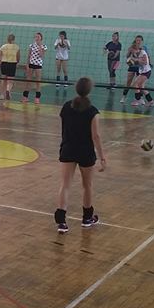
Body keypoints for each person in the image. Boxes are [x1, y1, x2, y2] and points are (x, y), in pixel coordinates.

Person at [54, 77, 106, 233]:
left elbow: (64, 126)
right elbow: (96, 136)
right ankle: (87, 218)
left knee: (65, 185)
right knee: (87, 186)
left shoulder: (66, 107)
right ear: (89, 91)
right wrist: (102, 157)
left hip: (68, 149)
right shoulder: (93, 112)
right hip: (85, 152)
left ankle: (61, 222)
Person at [22, 32, 47, 104]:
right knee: (28, 80)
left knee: (38, 81)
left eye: (38, 37)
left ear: (41, 38)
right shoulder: (31, 45)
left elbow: (41, 55)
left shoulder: (44, 46)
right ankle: (25, 97)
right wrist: (27, 64)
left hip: (38, 65)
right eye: (36, 37)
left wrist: (40, 46)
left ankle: (37, 98)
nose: (37, 38)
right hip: (31, 64)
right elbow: (29, 55)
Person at [120, 35, 147, 103]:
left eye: (139, 40)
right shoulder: (131, 48)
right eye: (137, 40)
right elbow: (127, 56)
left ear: (142, 41)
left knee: (139, 84)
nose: (138, 41)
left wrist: (149, 63)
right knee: (128, 82)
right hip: (132, 66)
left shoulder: (144, 48)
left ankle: (140, 98)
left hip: (140, 67)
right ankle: (124, 96)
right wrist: (129, 52)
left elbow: (146, 57)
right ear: (135, 41)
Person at [130, 43, 154, 107]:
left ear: (136, 49)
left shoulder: (143, 52)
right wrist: (132, 62)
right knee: (141, 87)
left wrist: (136, 60)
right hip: (142, 71)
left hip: (146, 72)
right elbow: (138, 63)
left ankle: (138, 100)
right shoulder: (137, 54)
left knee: (135, 84)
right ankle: (151, 102)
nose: (132, 52)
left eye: (133, 50)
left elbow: (145, 62)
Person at [0, 33, 20, 100]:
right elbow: (18, 57)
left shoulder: (3, 46)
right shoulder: (16, 47)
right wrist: (17, 62)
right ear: (14, 39)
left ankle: (2, 95)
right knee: (10, 81)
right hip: (12, 64)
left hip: (4, 63)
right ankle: (8, 90)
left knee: (3, 80)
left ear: (7, 39)